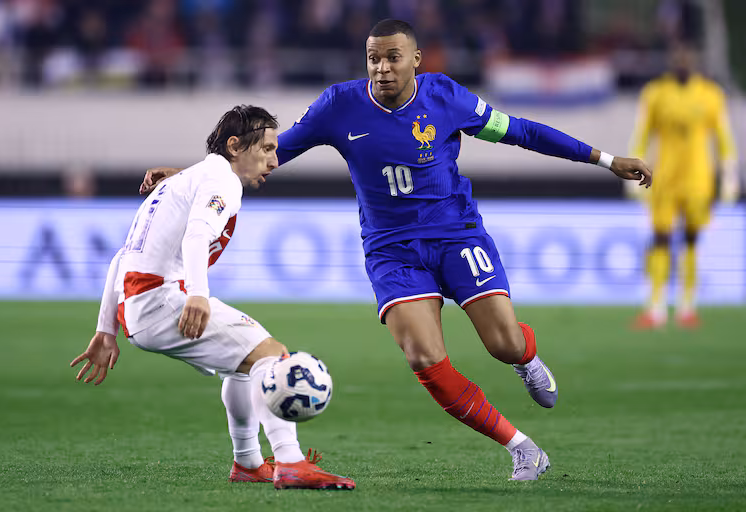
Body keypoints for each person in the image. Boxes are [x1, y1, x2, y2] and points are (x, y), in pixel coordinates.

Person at [142, 20, 651, 481]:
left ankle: (526, 356)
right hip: (391, 251)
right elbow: (269, 153)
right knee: (425, 357)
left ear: (416, 60)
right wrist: (192, 176)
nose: (382, 68)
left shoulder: (446, 97)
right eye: (373, 58)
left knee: (503, 344)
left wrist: (606, 160)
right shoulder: (338, 106)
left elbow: (521, 132)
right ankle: (522, 448)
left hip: (457, 235)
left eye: (392, 57)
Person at [71, 105, 355, 491]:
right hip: (162, 299)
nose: (275, 161)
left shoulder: (184, 181)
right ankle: (290, 462)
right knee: (271, 355)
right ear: (235, 146)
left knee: (242, 365)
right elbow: (197, 234)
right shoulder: (222, 182)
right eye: (267, 149)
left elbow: (122, 256)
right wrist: (197, 295)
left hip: (139, 305)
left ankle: (249, 463)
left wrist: (106, 329)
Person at [627, 43, 739, 329]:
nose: (682, 62)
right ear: (671, 62)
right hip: (663, 179)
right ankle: (656, 308)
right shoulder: (656, 93)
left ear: (695, 62)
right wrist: (633, 170)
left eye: (686, 58)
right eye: (678, 58)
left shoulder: (711, 94)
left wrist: (730, 173)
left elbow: (723, 137)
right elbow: (642, 132)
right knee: (660, 239)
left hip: (698, 179)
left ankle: (687, 307)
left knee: (691, 240)